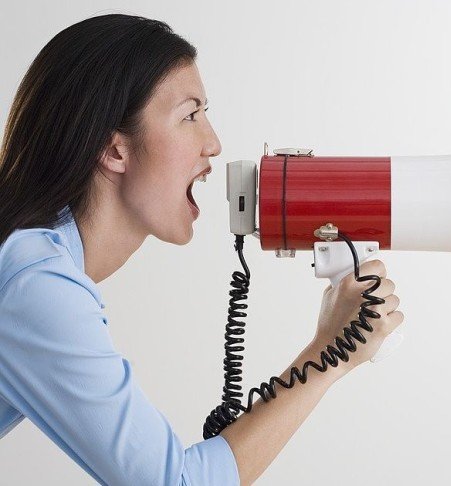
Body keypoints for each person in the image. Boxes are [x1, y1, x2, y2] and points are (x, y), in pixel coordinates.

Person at [0, 14, 403, 485]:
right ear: (114, 150)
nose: (212, 142)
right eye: (190, 115)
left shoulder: (31, 264)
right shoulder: (36, 283)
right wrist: (332, 351)